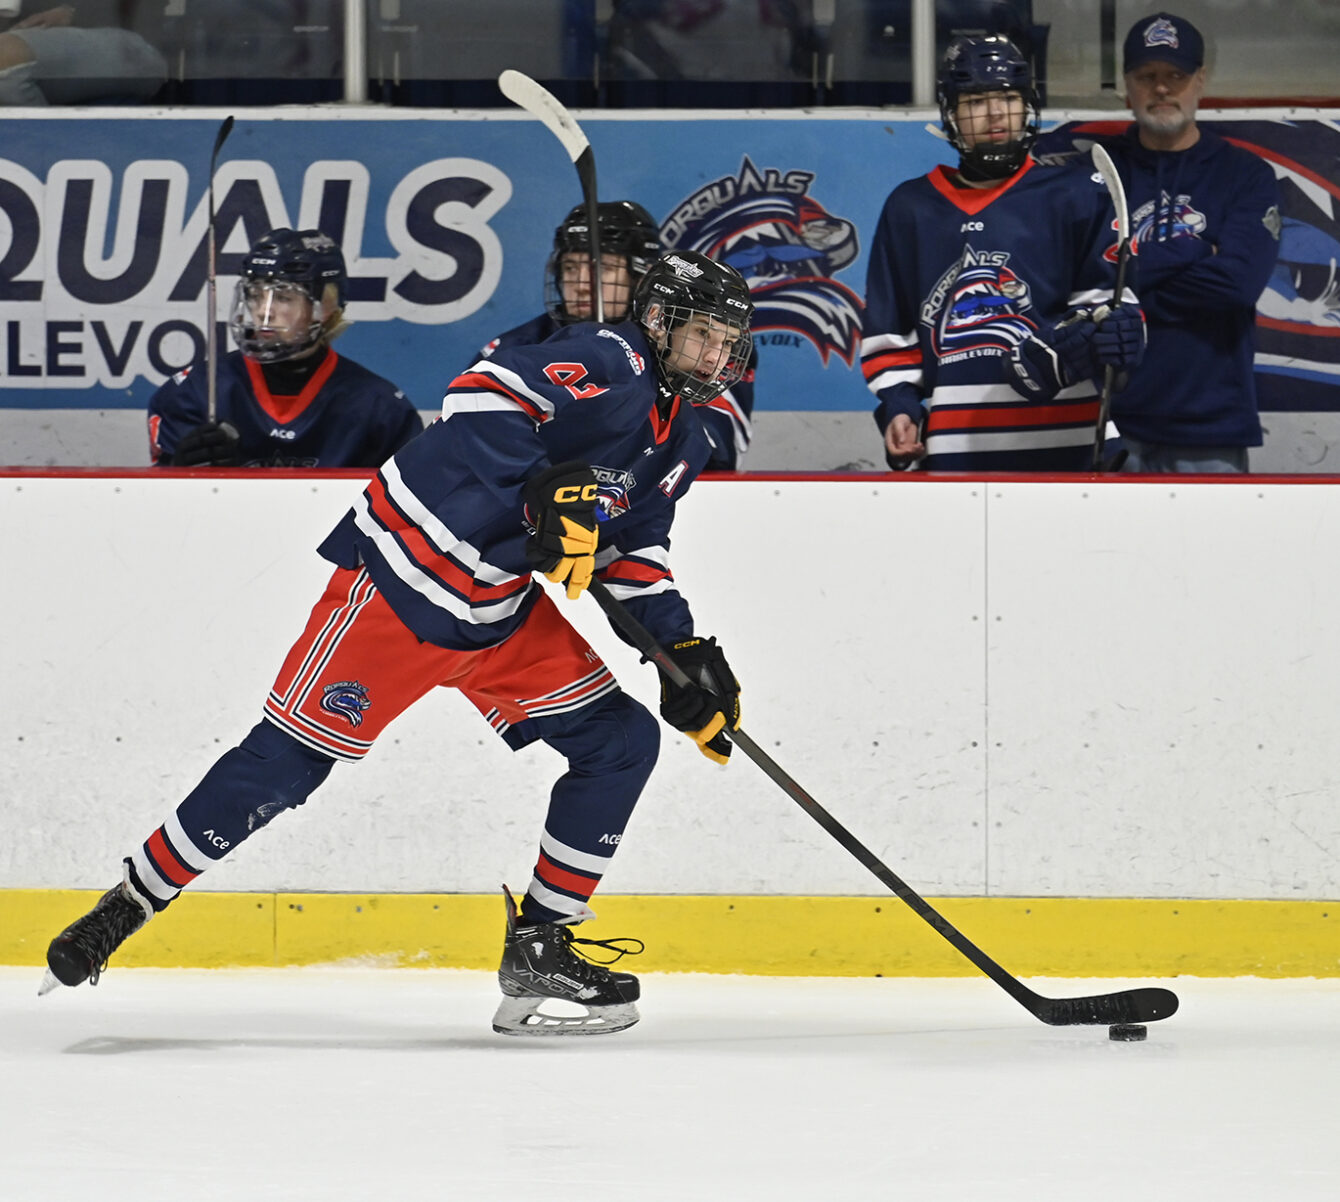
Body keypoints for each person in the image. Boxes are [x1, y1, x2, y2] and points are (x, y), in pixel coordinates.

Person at [42, 250, 755, 1039]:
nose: (715, 355)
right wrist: (540, 485)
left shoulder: (684, 439)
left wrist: (680, 651)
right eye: (702, 335)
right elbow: (479, 394)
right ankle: (130, 902)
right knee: (286, 765)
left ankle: (540, 947)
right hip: (405, 581)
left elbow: (632, 548)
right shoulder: (609, 356)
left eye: (728, 343)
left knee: (620, 741)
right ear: (657, 321)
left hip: (499, 608)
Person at [860, 35, 1147, 471]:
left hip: (1070, 444)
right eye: (976, 101)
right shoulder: (911, 208)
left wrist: (1083, 346)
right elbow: (891, 333)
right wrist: (900, 406)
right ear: (951, 114)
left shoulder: (1077, 194)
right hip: (954, 448)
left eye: (1009, 98)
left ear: (1027, 106)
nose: (995, 113)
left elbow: (1112, 321)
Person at [1068, 12, 1281, 473]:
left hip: (1213, 426)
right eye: (1147, 76)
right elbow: (1079, 278)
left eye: (1176, 75)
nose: (1161, 88)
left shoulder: (1246, 176)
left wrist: (1125, 291)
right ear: (1127, 85)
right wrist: (1198, 250)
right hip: (1109, 424)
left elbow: (1237, 285)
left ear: (1200, 79)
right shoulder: (1094, 176)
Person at [478, 199, 755, 471]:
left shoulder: (697, 344)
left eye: (604, 268)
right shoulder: (516, 346)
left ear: (639, 277)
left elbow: (716, 449)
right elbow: (472, 422)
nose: (581, 284)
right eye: (571, 267)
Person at [147, 228, 424, 468]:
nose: (263, 312)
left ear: (326, 307)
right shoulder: (194, 393)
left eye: (283, 297)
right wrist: (180, 474)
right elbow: (159, 502)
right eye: (255, 295)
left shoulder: (381, 409)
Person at [0, 4, 166, 105]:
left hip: (131, 43)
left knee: (5, 53)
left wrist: (73, 12)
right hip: (28, 47)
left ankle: (45, 147)